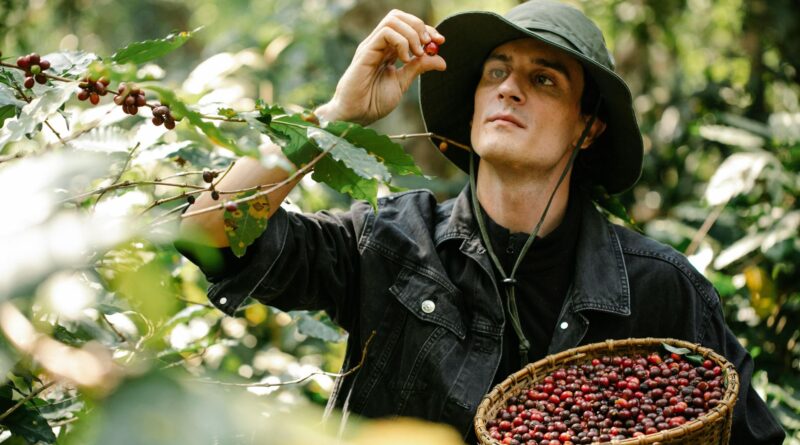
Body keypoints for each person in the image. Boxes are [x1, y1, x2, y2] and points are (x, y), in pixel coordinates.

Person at [176, 1, 785, 443]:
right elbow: (206, 235)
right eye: (497, 71)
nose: (510, 89)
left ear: (588, 126)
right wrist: (333, 118)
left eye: (543, 78)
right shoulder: (389, 244)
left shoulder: (659, 288)